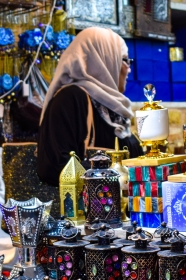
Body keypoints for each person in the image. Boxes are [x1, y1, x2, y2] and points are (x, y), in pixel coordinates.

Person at [37, 27, 142, 186]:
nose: (129, 68)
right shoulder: (70, 100)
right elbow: (54, 166)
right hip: (86, 209)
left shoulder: (113, 108)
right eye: (125, 60)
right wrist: (112, 174)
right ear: (104, 60)